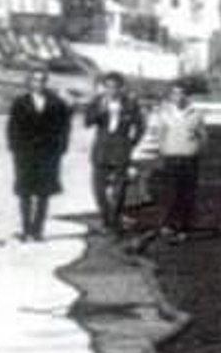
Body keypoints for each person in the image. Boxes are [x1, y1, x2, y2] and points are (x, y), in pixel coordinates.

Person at [5, 68, 72, 242]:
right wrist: (15, 148)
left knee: (44, 192)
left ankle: (38, 230)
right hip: (25, 153)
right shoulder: (20, 103)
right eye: (35, 80)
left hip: (48, 154)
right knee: (25, 192)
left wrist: (61, 148)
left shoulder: (56, 103)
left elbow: (65, 126)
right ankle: (26, 229)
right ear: (29, 82)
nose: (39, 83)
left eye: (42, 80)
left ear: (46, 82)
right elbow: (12, 128)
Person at [143, 78, 208, 241]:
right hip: (171, 158)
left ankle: (184, 227)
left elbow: (203, 136)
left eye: (181, 93)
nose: (178, 97)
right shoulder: (164, 114)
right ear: (171, 96)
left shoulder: (196, 114)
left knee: (187, 194)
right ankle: (169, 225)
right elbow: (160, 135)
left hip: (189, 159)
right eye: (175, 93)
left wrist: (196, 150)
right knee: (171, 193)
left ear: (187, 96)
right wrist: (164, 150)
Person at [84, 72, 145, 233]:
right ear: (104, 88)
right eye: (108, 87)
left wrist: (132, 143)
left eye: (115, 87)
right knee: (98, 188)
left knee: (119, 188)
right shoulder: (97, 101)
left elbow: (140, 126)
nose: (111, 90)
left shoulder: (130, 103)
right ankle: (106, 218)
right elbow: (87, 122)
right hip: (101, 151)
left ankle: (114, 220)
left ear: (121, 88)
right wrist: (101, 110)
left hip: (121, 150)